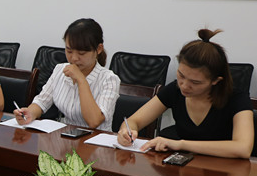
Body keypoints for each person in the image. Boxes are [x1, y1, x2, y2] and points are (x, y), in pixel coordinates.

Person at [117, 29, 253, 158]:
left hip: (225, 170)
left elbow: (243, 148)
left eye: (195, 82)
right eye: (181, 75)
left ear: (215, 81)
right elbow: (133, 121)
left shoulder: (237, 98)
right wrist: (127, 132)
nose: (184, 85)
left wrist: (180, 144)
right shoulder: (174, 90)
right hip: (185, 165)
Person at [14, 18, 120, 130]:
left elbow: (94, 121)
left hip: (95, 138)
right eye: (69, 51)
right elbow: (41, 102)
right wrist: (30, 113)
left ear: (98, 49)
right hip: (65, 135)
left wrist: (81, 80)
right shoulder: (60, 69)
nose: (74, 58)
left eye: (81, 53)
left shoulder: (109, 79)